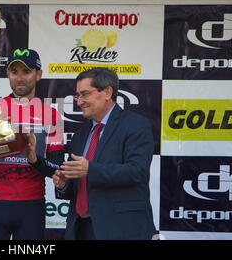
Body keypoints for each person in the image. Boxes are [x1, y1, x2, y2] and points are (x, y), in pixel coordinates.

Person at [0, 48, 64, 240]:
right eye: (14, 71)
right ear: (7, 74)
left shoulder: (52, 115)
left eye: (26, 71)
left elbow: (57, 168)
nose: (19, 78)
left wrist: (34, 159)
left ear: (38, 74)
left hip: (31, 207)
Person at [53, 67, 156, 240]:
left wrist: (90, 170)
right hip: (80, 229)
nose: (79, 102)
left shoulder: (136, 125)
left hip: (119, 229)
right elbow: (80, 186)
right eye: (77, 96)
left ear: (107, 92)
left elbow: (137, 172)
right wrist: (64, 185)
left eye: (84, 94)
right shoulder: (80, 135)